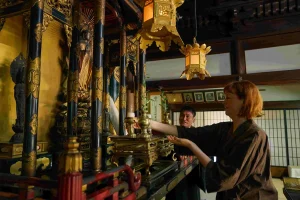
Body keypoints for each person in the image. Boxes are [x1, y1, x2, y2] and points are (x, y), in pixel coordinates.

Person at [151, 80, 278, 200]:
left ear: (244, 101)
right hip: (229, 195)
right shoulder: (225, 129)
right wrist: (150, 124)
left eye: (228, 98)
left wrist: (191, 146)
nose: (224, 102)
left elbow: (224, 176)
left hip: (252, 196)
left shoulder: (254, 136)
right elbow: (194, 134)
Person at [166, 105, 200, 200]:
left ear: (193, 119)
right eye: (181, 115)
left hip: (191, 176)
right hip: (174, 175)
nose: (184, 118)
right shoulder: (173, 132)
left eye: (187, 116)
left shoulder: (197, 134)